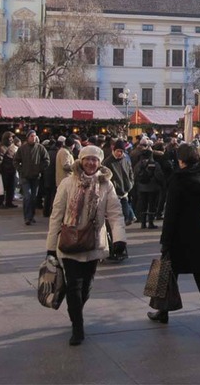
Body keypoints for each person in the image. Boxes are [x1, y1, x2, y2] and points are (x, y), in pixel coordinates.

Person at [46, 145, 127, 346]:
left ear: (100, 163)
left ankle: (76, 312)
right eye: (87, 159)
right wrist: (50, 246)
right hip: (69, 242)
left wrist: (119, 239)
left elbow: (115, 213)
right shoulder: (67, 183)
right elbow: (56, 215)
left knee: (86, 287)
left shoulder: (106, 185)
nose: (91, 163)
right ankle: (77, 326)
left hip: (93, 243)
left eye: (95, 160)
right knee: (74, 285)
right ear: (80, 161)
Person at [148, 143, 200, 335]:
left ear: (181, 160)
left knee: (167, 272)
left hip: (179, 232)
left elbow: (171, 213)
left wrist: (165, 240)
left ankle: (162, 311)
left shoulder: (177, 180)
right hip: (197, 231)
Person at [14, 130, 50, 225]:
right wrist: (21, 170)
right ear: (28, 137)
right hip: (25, 176)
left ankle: (31, 215)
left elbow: (46, 160)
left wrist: (40, 169)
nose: (33, 138)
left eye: (34, 136)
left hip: (35, 177)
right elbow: (16, 161)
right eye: (31, 136)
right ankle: (27, 217)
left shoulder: (40, 148)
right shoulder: (22, 148)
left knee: (34, 197)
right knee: (27, 196)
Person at [102, 139, 136, 226]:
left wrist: (130, 183)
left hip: (125, 189)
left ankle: (128, 220)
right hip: (114, 191)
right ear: (114, 150)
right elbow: (104, 176)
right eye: (118, 151)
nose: (119, 153)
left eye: (121, 151)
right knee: (117, 212)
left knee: (125, 212)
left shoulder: (125, 159)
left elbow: (130, 172)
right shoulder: (108, 162)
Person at [134, 147, 165, 229]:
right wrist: (161, 184)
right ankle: (150, 223)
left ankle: (143, 223)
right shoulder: (154, 164)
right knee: (152, 205)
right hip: (153, 187)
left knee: (143, 204)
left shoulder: (138, 164)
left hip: (141, 188)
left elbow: (135, 175)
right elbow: (159, 175)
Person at [0, 132, 18, 209]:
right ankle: (0, 203)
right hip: (4, 170)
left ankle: (9, 202)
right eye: (9, 137)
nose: (11, 139)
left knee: (11, 187)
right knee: (2, 188)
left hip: (12, 170)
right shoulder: (1, 147)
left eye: (12, 137)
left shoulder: (13, 147)